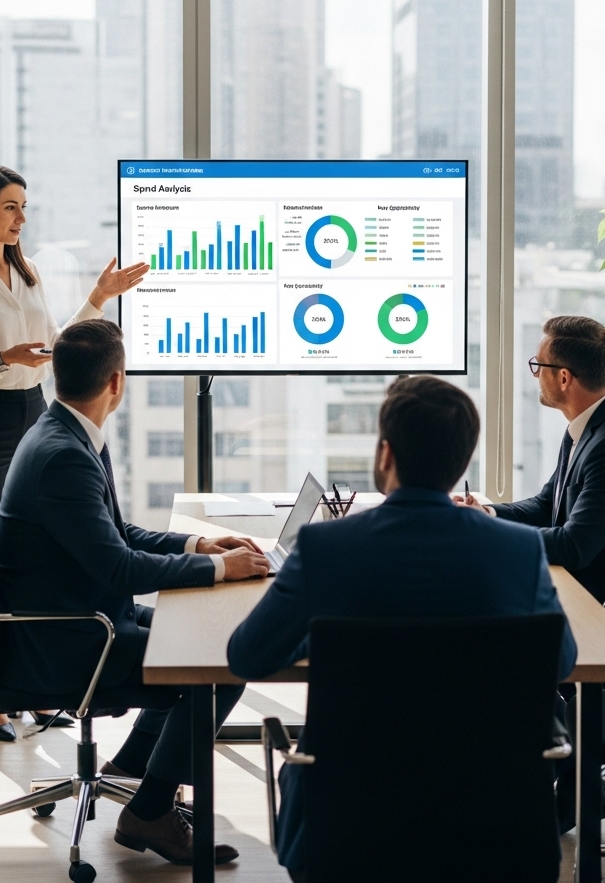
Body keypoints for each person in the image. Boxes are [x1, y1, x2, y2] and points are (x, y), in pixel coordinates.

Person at [227, 376, 577, 882]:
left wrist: (318, 634)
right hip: (492, 820)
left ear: (386, 454)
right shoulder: (519, 550)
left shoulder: (326, 550)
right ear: (462, 462)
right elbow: (560, 662)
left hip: (350, 821)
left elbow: (247, 657)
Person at [0, 319, 271, 866]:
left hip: (78, 611)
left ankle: (133, 770)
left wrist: (201, 544)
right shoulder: (66, 455)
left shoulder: (65, 432)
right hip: (73, 637)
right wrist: (220, 570)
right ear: (116, 383)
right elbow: (119, 567)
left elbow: (114, 535)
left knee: (198, 641)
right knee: (223, 663)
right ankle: (149, 812)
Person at [0, 164, 149, 741]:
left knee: (33, 559)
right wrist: (3, 361)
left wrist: (98, 299)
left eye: (24, 207)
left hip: (32, 412)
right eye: (9, 207)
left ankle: (30, 680)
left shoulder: (27, 276)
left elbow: (54, 349)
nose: (21, 218)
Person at [457, 316, 605, 610]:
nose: (535, 375)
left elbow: (574, 546)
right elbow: (546, 504)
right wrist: (486, 513)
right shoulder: (588, 426)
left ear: (563, 378)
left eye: (538, 365)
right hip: (592, 596)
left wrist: (488, 533)